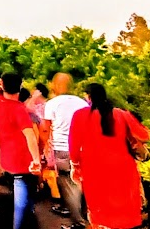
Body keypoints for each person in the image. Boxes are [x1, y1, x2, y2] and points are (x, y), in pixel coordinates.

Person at [69, 83, 150, 229]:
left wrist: (75, 165)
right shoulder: (121, 114)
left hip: (94, 169)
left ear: (89, 97)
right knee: (124, 210)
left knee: (100, 210)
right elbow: (144, 135)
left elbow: (73, 144)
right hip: (123, 167)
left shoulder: (80, 115)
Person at [0, 73, 43, 229]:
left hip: (6, 158)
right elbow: (30, 136)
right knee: (21, 198)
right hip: (22, 159)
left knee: (23, 190)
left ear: (3, 85)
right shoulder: (19, 109)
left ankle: (27, 217)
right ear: (20, 86)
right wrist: (36, 160)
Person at [42, 73, 89, 228]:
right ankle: (86, 217)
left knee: (68, 186)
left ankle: (78, 223)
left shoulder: (52, 103)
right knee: (81, 184)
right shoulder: (82, 103)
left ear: (56, 85)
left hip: (61, 149)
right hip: (83, 149)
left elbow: (45, 129)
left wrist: (45, 148)